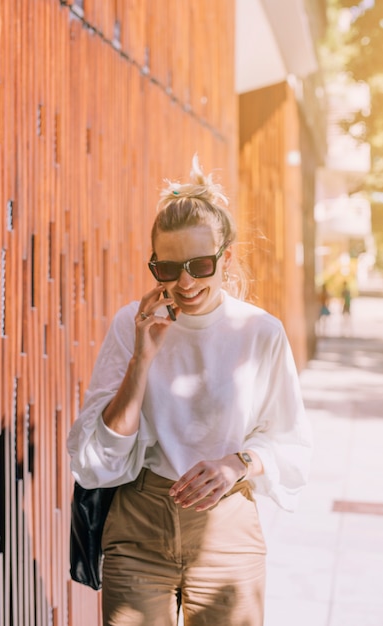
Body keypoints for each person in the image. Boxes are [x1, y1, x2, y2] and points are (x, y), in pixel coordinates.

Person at [67, 156, 312, 626]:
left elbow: (290, 441)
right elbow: (96, 456)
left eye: (200, 265)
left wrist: (237, 463)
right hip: (138, 524)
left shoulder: (260, 332)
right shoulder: (131, 324)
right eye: (168, 267)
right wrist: (142, 357)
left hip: (227, 530)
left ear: (227, 257)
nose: (185, 282)